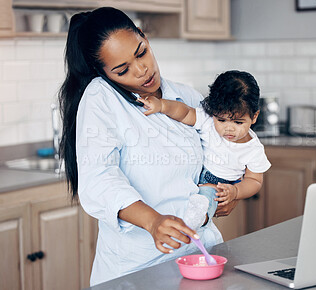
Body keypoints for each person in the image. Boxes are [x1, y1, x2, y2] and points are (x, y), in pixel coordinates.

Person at [58, 7, 234, 286]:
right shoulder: (101, 99)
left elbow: (215, 157)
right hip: (138, 266)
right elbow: (99, 179)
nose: (142, 71)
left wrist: (224, 192)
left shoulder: (185, 95)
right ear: (102, 73)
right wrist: (153, 222)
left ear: (144, 36)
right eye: (122, 69)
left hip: (198, 254)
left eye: (141, 53)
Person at [139, 70, 271, 228]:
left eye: (238, 122)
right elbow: (185, 112)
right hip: (192, 178)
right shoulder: (208, 122)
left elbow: (254, 181)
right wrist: (162, 105)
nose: (228, 129)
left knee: (205, 199)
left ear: (254, 116)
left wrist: (236, 192)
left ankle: (195, 223)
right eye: (221, 120)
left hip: (220, 186)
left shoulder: (253, 149)